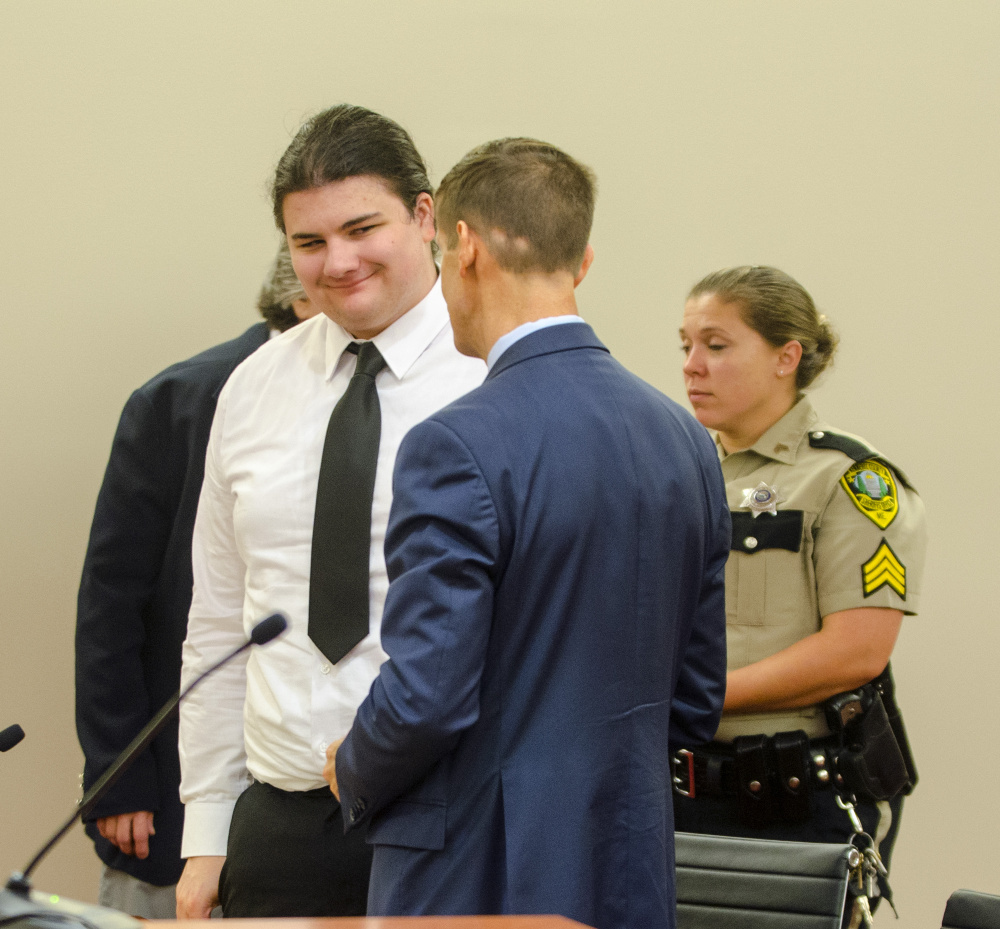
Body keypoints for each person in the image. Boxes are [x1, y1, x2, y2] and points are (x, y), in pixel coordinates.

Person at [326, 138, 730, 929]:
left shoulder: (457, 442)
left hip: (476, 871)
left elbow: (426, 698)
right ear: (580, 261)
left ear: (465, 246)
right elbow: (696, 697)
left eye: (441, 257)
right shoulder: (683, 438)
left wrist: (353, 764)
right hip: (630, 859)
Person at [175, 105, 486, 920]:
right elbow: (216, 621)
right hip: (283, 825)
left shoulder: (495, 379)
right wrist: (208, 829)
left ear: (426, 217)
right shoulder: (253, 386)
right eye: (309, 243)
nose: (338, 262)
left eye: (361, 228)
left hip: (455, 819)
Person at [674, 265, 927, 917]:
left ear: (787, 355)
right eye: (685, 346)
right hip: (674, 794)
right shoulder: (679, 473)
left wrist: (694, 698)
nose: (693, 366)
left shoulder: (853, 481)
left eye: (717, 345)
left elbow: (856, 652)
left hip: (791, 804)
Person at [75, 241, 315, 919]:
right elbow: (110, 607)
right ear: (299, 295)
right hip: (173, 779)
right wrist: (116, 777)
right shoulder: (178, 401)